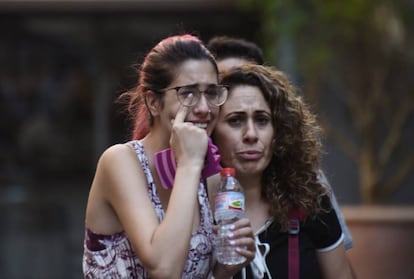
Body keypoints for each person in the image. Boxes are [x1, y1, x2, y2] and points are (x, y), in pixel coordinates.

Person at [82, 34, 255, 279]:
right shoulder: (121, 161)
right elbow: (164, 268)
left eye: (211, 93)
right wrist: (189, 163)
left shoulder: (210, 177)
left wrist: (226, 269)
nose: (204, 108)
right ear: (153, 102)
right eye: (188, 94)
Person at [207, 35, 353, 251]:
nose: (251, 134)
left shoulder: (306, 191)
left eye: (262, 120)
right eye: (235, 120)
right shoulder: (191, 202)